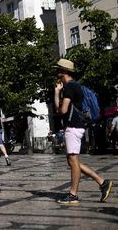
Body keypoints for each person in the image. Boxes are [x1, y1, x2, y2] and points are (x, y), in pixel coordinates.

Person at [54, 58, 113, 204]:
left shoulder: (69, 87)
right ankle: (102, 182)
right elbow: (60, 109)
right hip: (76, 126)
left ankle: (73, 195)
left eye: (58, 69)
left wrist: (59, 96)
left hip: (73, 127)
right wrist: (56, 93)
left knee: (73, 161)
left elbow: (62, 110)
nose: (56, 72)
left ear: (64, 71)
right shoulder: (74, 86)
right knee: (72, 161)